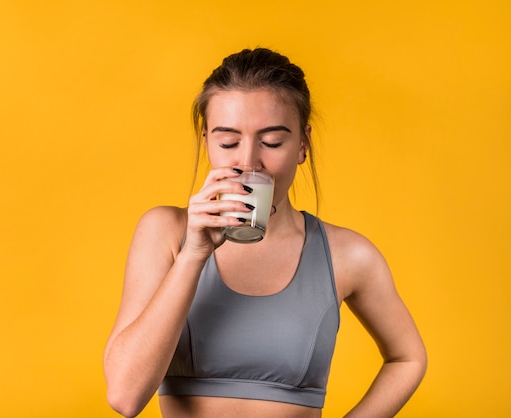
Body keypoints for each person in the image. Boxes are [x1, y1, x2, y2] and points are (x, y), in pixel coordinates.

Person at [103, 47, 427, 418]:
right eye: (227, 142)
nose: (247, 162)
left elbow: (408, 358)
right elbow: (124, 398)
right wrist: (194, 254)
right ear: (206, 139)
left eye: (272, 142)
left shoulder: (346, 254)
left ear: (303, 144)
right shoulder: (165, 232)